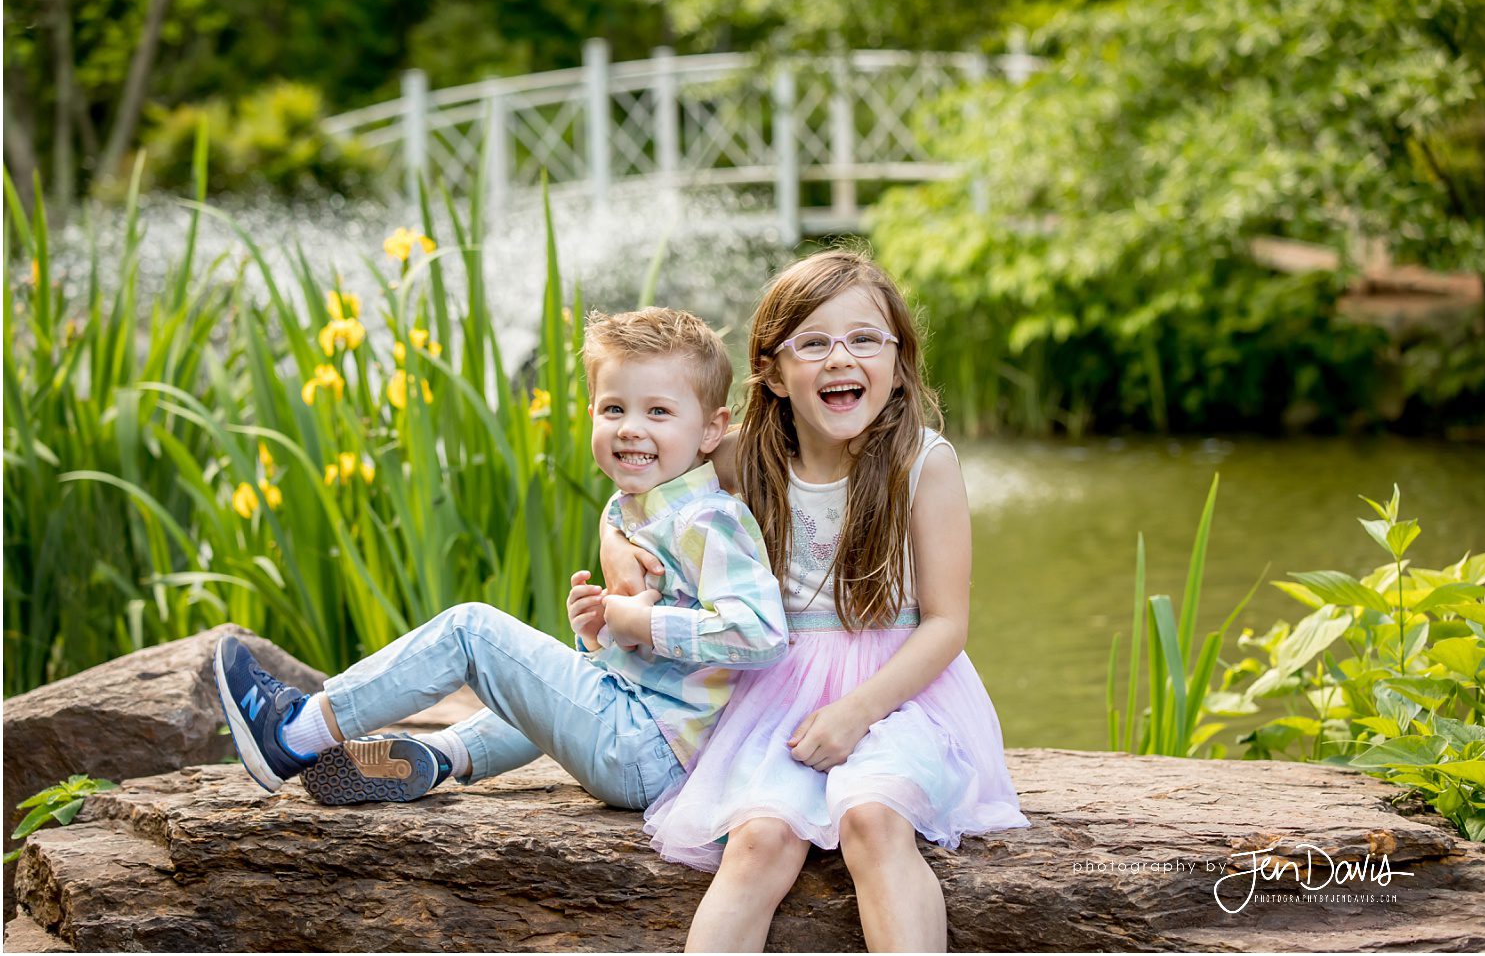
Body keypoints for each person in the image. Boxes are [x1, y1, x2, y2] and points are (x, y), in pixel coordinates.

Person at [584, 250, 1028, 952]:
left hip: (901, 694)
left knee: (872, 820)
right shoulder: (741, 456)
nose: (839, 359)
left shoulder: (923, 463)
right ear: (771, 369)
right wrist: (616, 547)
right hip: (779, 693)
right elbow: (638, 495)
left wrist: (856, 714)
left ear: (898, 357)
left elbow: (947, 623)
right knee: (759, 840)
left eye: (863, 340)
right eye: (813, 343)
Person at [214, 307, 788, 810]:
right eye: (613, 408)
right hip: (648, 734)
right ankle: (440, 755)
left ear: (713, 430)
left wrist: (639, 620)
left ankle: (292, 733)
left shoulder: (709, 520)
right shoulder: (642, 508)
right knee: (572, 668)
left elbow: (761, 636)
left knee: (471, 631)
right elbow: (657, 656)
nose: (630, 428)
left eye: (658, 412)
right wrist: (602, 630)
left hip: (650, 749)